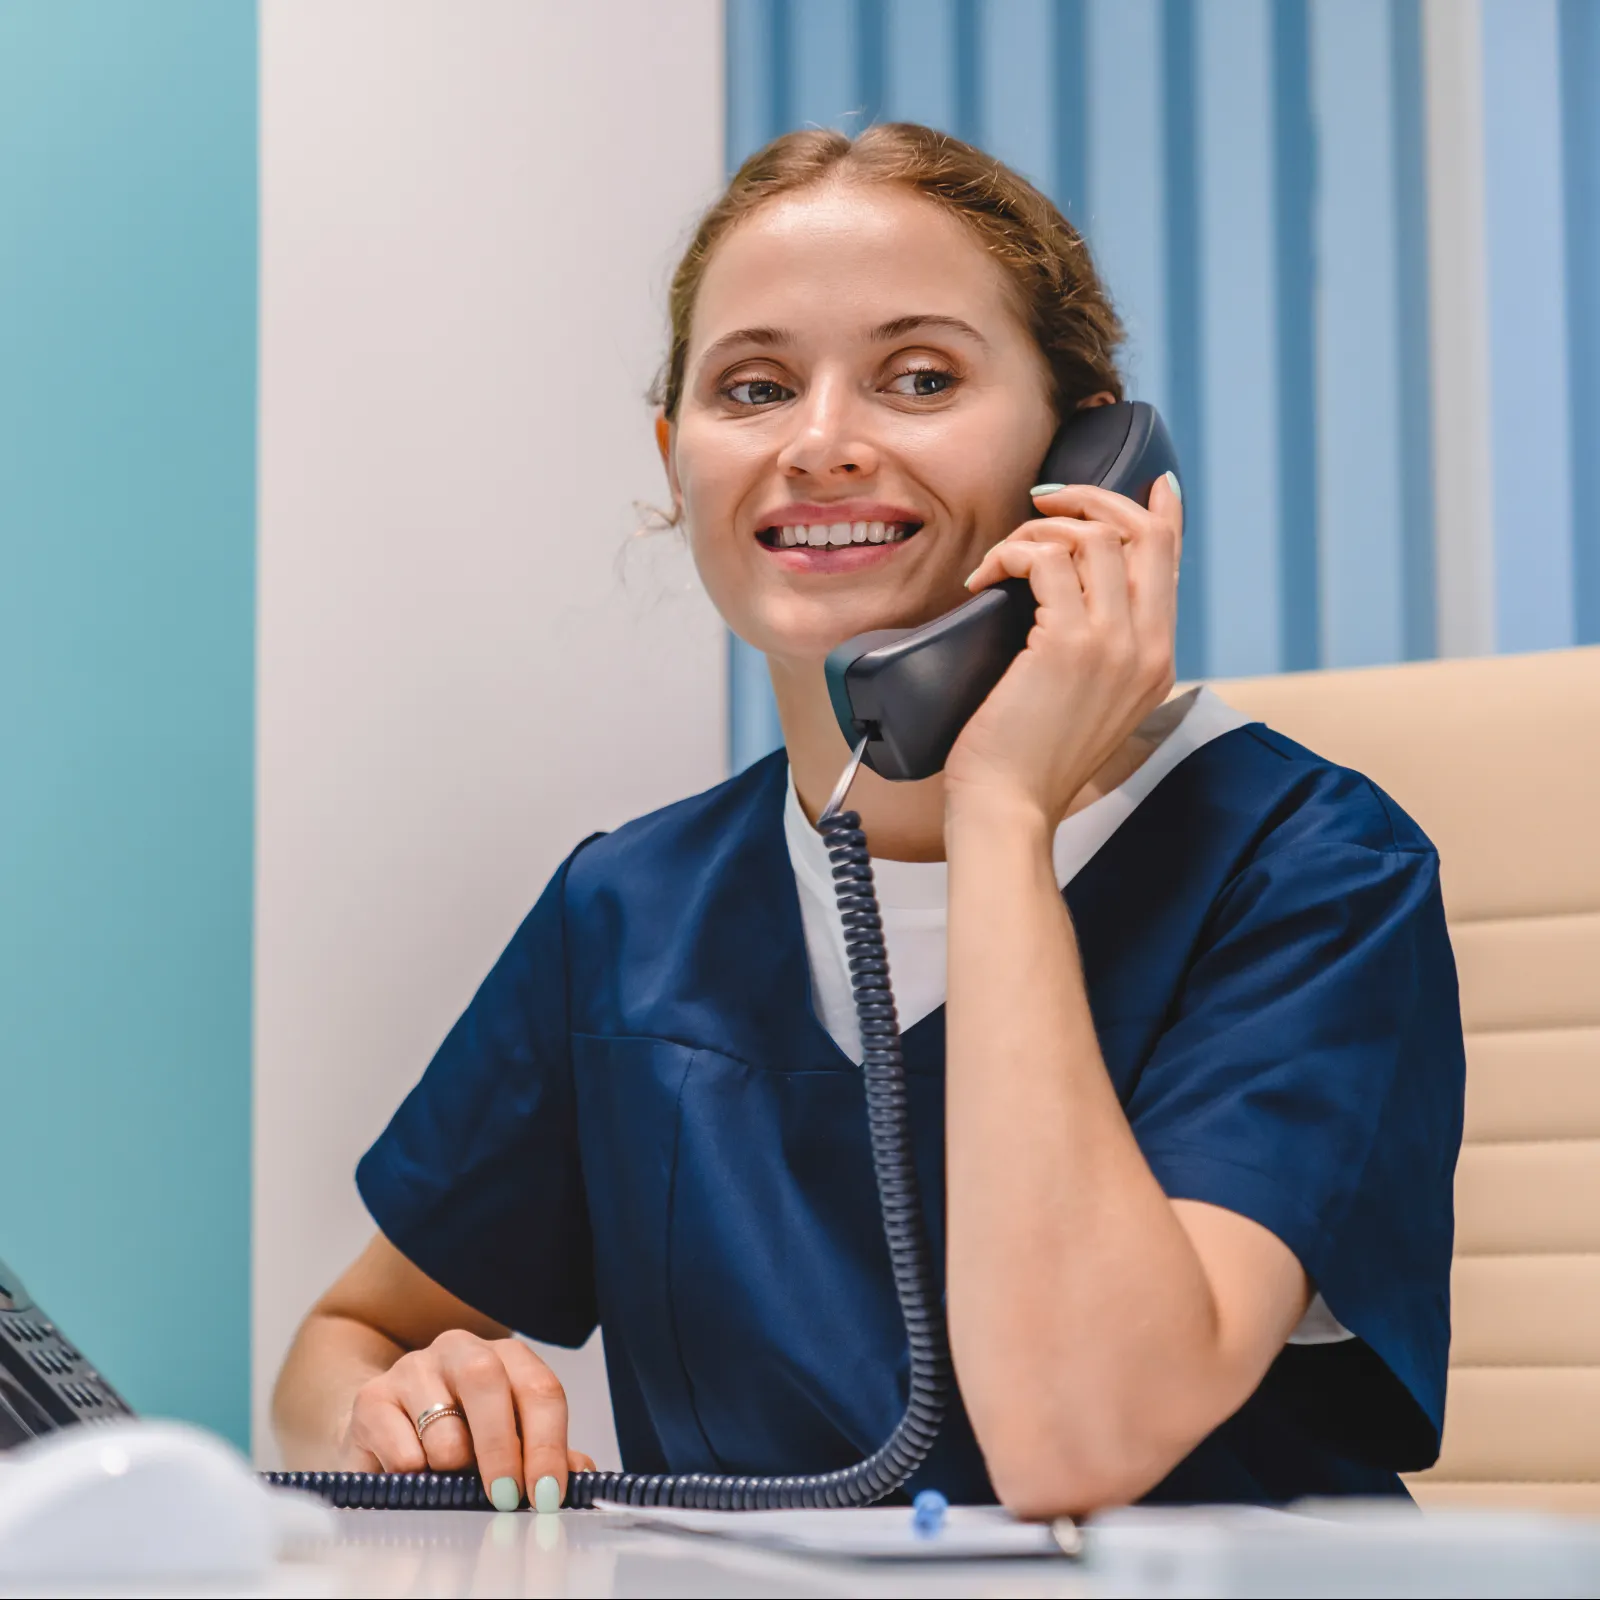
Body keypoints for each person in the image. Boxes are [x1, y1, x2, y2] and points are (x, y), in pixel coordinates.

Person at [272, 123, 1465, 1518]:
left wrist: (1002, 813)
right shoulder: (633, 910)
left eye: (921, 376)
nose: (822, 444)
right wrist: (404, 1410)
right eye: (756, 387)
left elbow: (1080, 1440)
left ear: (1085, 448)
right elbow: (344, 1343)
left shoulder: (1308, 871)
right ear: (678, 460)